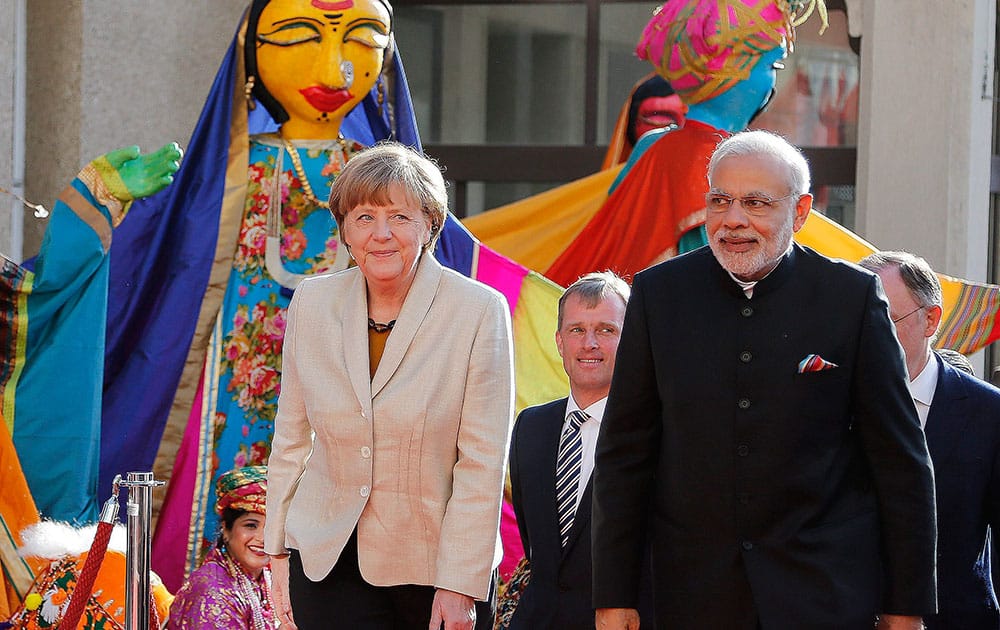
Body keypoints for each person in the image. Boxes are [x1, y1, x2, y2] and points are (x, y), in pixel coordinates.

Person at [591, 130, 937, 630]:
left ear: (799, 212)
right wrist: (614, 595)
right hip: (690, 596)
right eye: (719, 200)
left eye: (755, 203)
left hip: (824, 595)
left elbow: (900, 462)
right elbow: (625, 455)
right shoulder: (658, 295)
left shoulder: (851, 299)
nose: (733, 220)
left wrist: (906, 607)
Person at [264, 142, 513, 630]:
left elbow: (483, 462)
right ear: (345, 231)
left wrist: (461, 583)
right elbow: (290, 442)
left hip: (433, 573)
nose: (381, 234)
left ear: (429, 226)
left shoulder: (478, 311)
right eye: (364, 217)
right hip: (324, 565)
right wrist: (277, 555)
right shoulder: (311, 304)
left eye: (399, 217)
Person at [860, 251, 1000, 629]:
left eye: (886, 320)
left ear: (930, 319)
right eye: (859, 322)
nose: (869, 336)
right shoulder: (822, 402)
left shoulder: (988, 413)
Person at [507, 271, 652, 629]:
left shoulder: (659, 432)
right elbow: (536, 545)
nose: (589, 343)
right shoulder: (530, 428)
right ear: (559, 342)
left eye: (606, 330)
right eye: (576, 330)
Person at [168, 465, 274, 629]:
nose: (263, 538)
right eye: (251, 525)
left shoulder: (270, 576)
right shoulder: (212, 590)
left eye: (273, 528)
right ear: (226, 529)